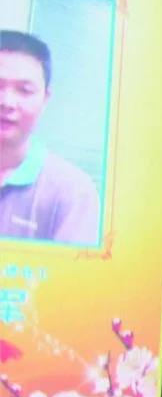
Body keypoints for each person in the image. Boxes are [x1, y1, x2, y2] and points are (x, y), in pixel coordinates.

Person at [0, 30, 101, 247]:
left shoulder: (72, 192)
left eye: (24, 90)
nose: (6, 102)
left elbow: (73, 279)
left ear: (45, 99)